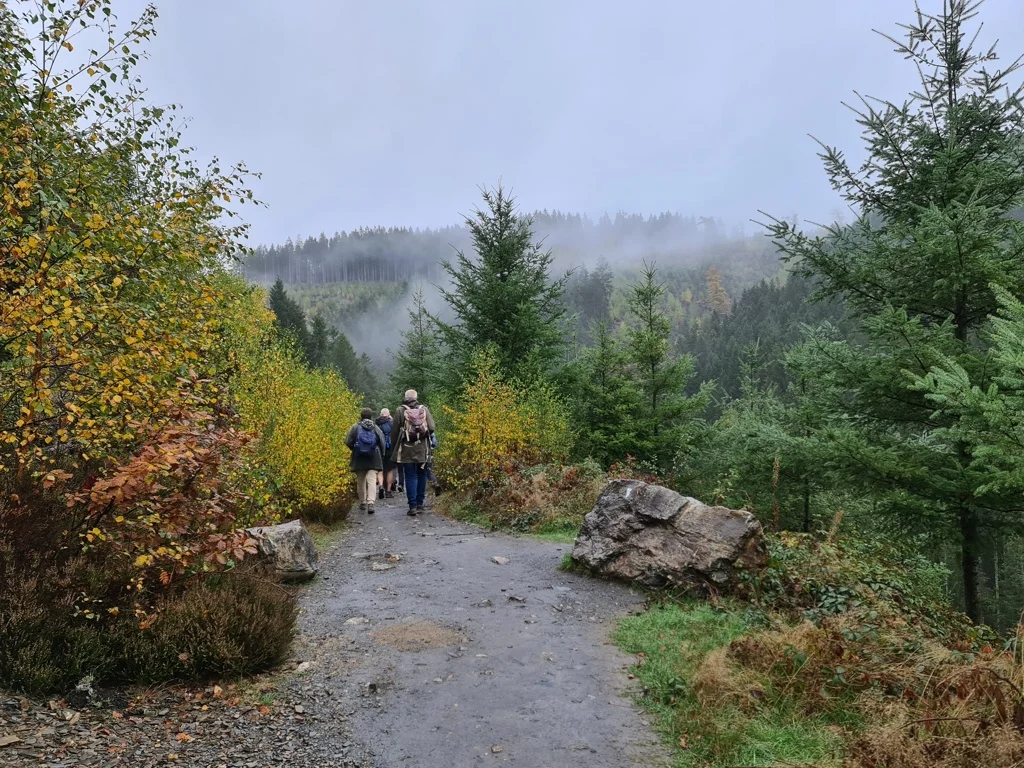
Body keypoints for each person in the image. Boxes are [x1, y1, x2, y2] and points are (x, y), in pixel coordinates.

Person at [392, 389, 435, 516]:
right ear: (416, 397)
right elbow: (432, 427)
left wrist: (395, 447)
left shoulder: (400, 410)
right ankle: (420, 504)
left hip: (406, 448)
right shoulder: (424, 409)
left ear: (405, 397)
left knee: (410, 476)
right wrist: (423, 435)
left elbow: (394, 432)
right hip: (422, 448)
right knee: (421, 474)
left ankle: (412, 506)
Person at [344, 407, 387, 514]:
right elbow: (382, 442)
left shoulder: (355, 427)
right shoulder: (375, 427)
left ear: (361, 416)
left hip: (359, 457)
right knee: (372, 480)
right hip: (373, 457)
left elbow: (348, 441)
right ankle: (371, 503)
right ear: (371, 416)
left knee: (361, 480)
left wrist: (355, 449)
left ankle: (362, 502)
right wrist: (382, 454)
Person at [376, 407, 396, 498]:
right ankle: (388, 491)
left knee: (380, 469)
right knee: (390, 470)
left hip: (379, 449)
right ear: (388, 414)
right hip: (390, 449)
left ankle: (380, 486)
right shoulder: (392, 423)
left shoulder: (376, 423)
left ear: (380, 414)